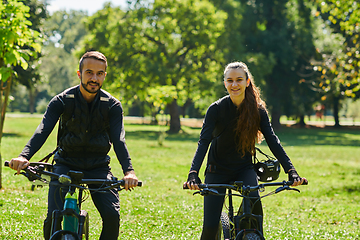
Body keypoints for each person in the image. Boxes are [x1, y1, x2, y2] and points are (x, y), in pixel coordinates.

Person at [9, 51, 139, 240]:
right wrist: (24, 156)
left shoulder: (112, 106)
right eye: (89, 72)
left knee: (112, 216)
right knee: (53, 217)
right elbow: (42, 130)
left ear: (104, 75)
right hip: (65, 164)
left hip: (99, 167)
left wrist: (129, 171)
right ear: (79, 74)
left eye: (99, 73)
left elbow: (119, 140)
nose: (94, 78)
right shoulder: (62, 100)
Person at [183, 61, 307, 240]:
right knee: (210, 228)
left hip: (244, 169)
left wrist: (292, 171)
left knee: (254, 212)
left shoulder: (257, 110)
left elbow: (273, 141)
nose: (235, 85)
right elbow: (203, 142)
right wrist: (193, 173)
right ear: (225, 83)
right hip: (216, 170)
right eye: (230, 80)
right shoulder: (216, 109)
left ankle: (246, 231)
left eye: (239, 80)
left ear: (247, 82)